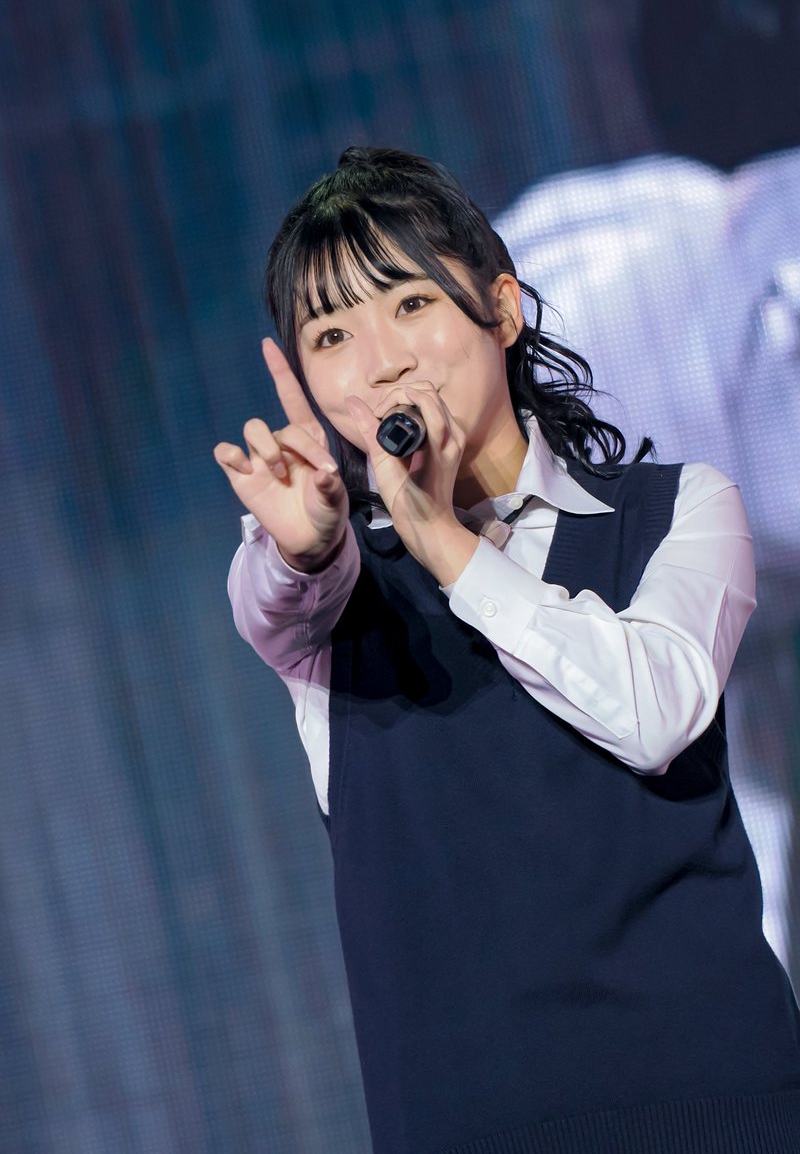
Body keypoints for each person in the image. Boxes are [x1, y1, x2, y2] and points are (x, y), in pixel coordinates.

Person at [214, 147, 800, 1154]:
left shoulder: (681, 511)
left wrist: (447, 542)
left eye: (409, 304)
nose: (381, 361)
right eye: (333, 335)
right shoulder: (326, 585)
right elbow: (274, 598)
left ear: (502, 309)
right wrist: (312, 544)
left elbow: (653, 712)